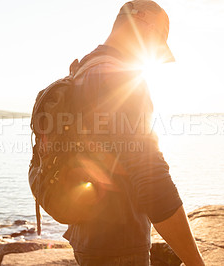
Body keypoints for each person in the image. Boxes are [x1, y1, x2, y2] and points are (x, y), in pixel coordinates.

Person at [63, 1, 205, 265]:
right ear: (142, 25)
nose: (156, 48)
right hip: (119, 246)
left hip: (86, 238)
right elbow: (152, 180)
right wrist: (196, 262)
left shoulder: (83, 69)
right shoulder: (121, 78)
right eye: (159, 37)